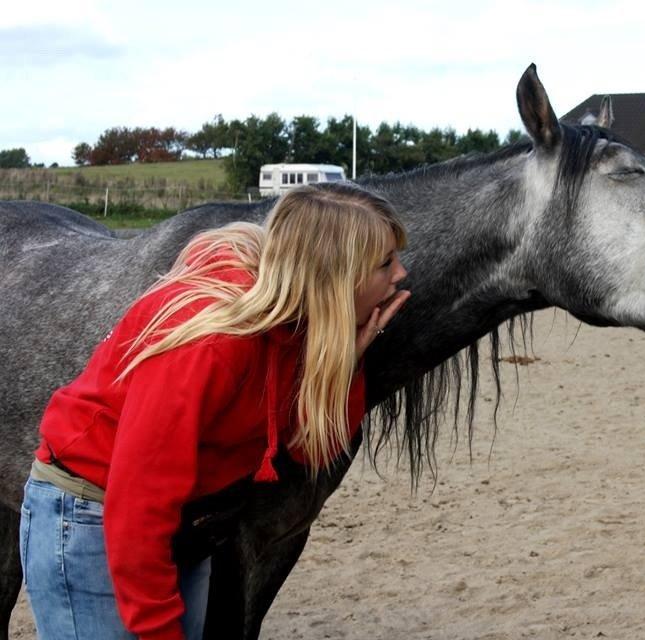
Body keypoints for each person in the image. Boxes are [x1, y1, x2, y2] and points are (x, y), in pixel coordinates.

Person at [18, 183, 411, 640]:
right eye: (386, 263)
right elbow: (138, 502)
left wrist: (348, 360)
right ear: (336, 275)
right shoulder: (214, 343)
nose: (401, 274)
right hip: (94, 517)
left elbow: (308, 451)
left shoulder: (300, 326)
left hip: (182, 523)